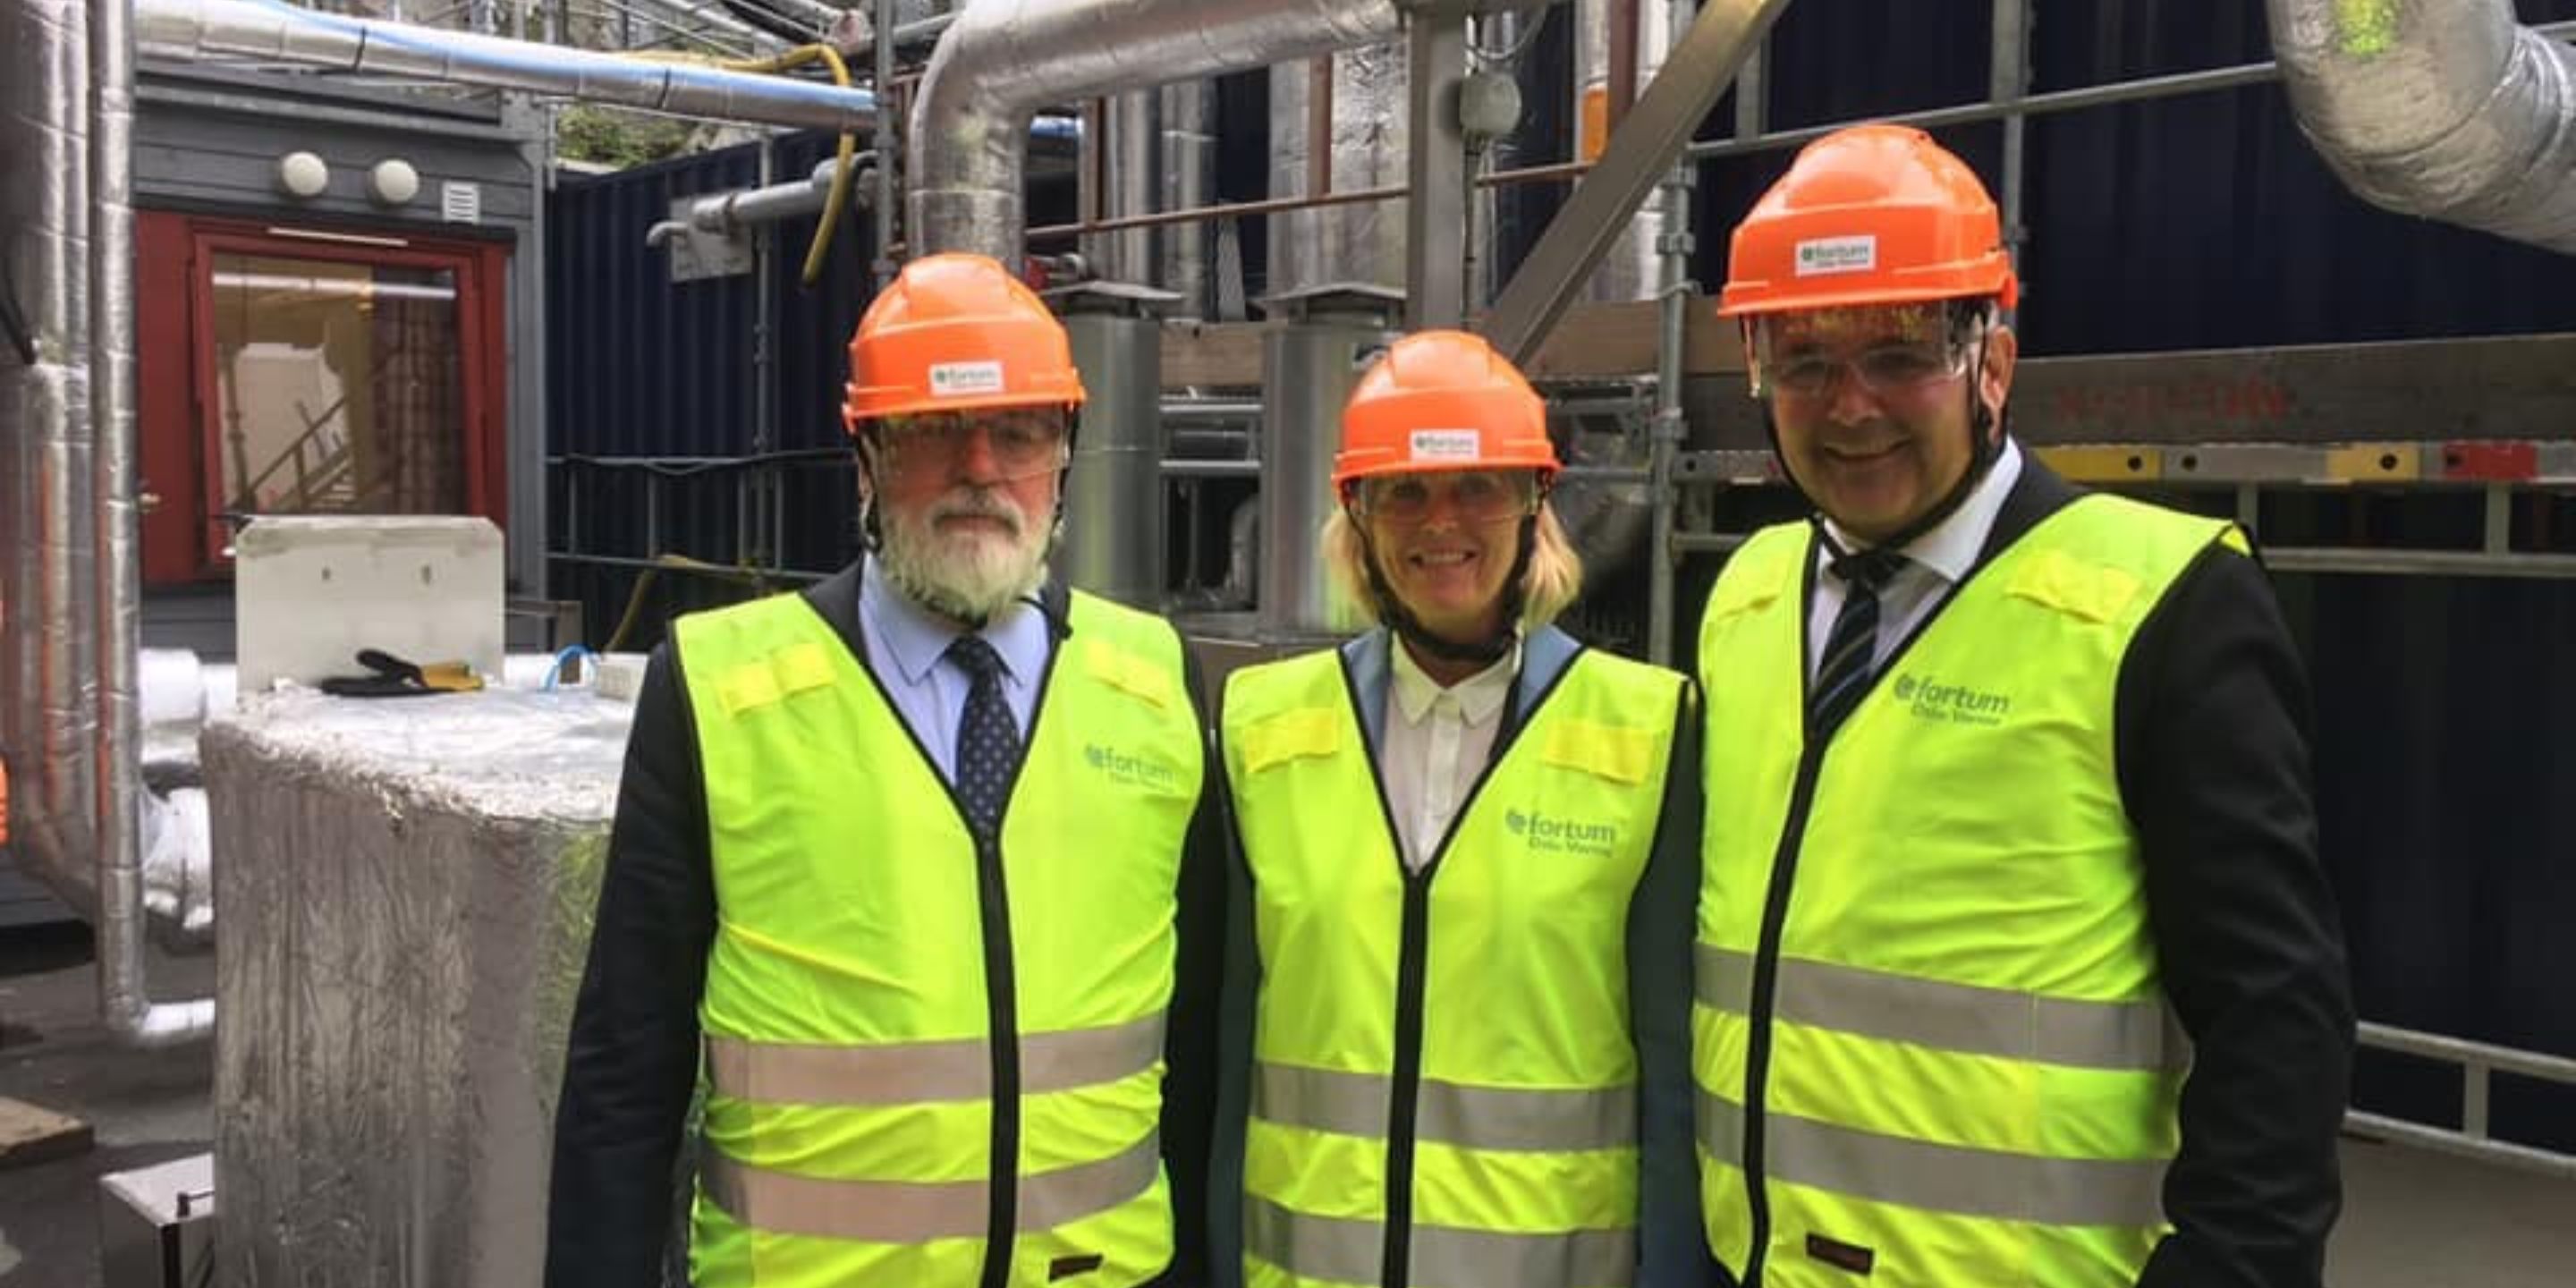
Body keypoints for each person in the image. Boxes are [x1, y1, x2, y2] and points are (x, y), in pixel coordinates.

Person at [1690, 123, 2354, 1287]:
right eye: (1802, 361)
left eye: (1898, 354)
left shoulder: (2161, 603)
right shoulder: (1744, 594)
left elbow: (2277, 1013)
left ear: (1991, 356)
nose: (1849, 408)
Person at [547, 252, 1224, 1288]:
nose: (982, 469)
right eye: (932, 432)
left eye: (1021, 432)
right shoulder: (723, 686)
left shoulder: (1155, 677)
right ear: (864, 458)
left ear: (1067, 455)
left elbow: (1201, 1036)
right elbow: (625, 1070)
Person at [1210, 330, 1707, 1288]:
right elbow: (1228, 1061)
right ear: (1357, 515)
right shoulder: (1259, 729)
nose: (1442, 522)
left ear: (1534, 506)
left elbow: (1674, 1082)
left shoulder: (1651, 735)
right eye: (1404, 490)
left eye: (1480, 486)